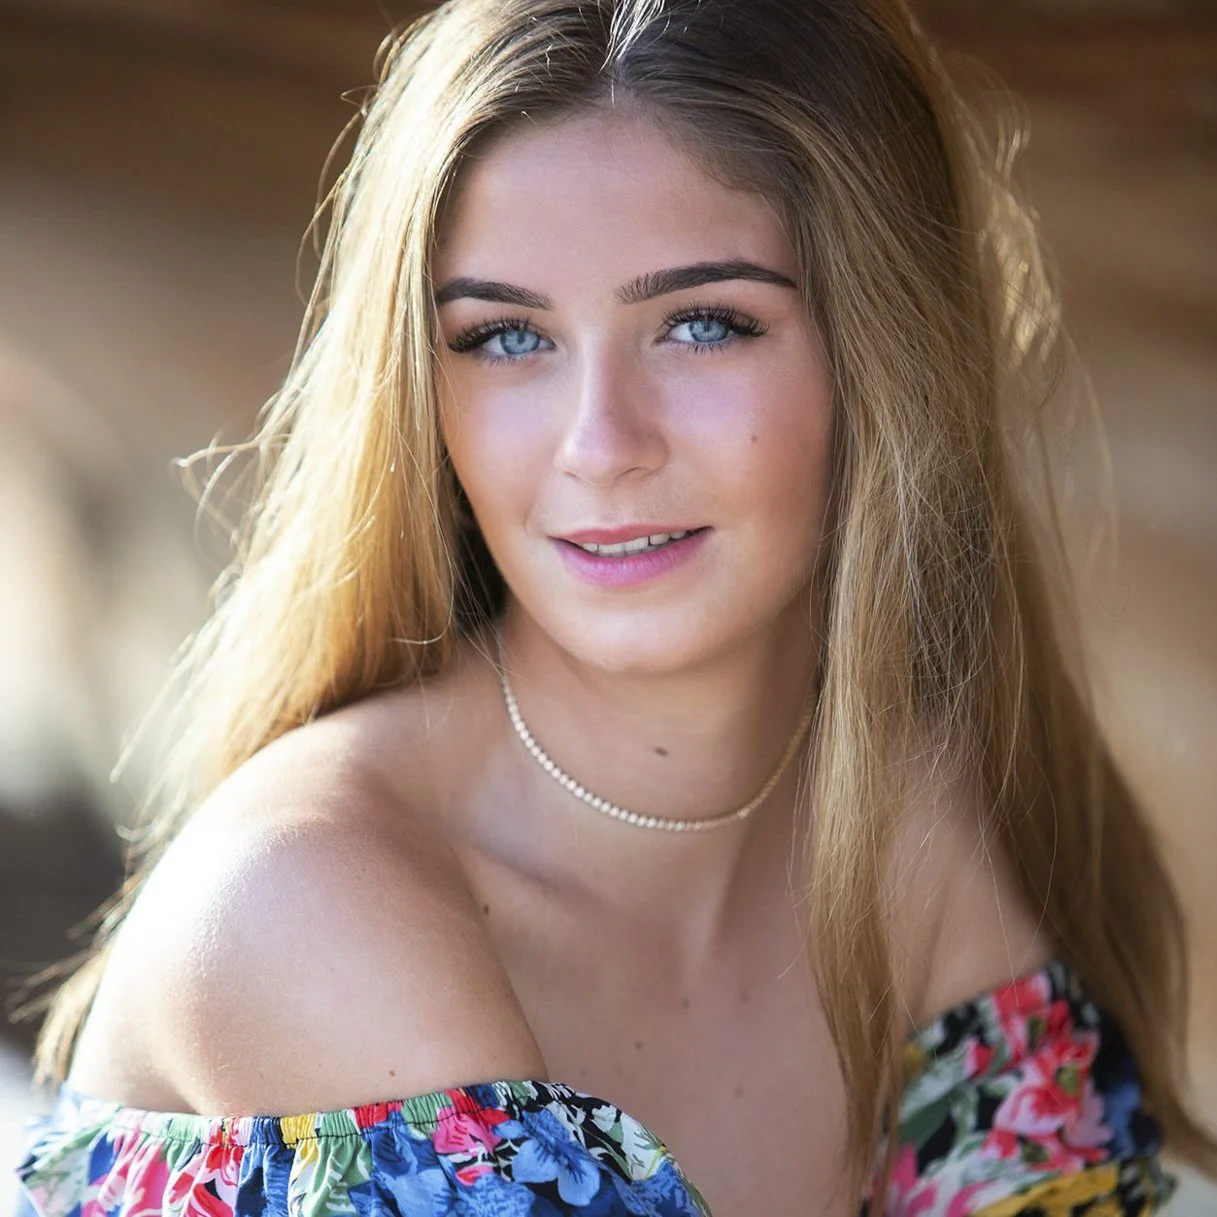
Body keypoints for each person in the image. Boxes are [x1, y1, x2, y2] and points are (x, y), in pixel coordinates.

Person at [15, 0, 1217, 1213]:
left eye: (703, 323)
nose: (599, 445)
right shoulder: (311, 904)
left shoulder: (920, 849)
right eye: (503, 337)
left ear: (883, 361)